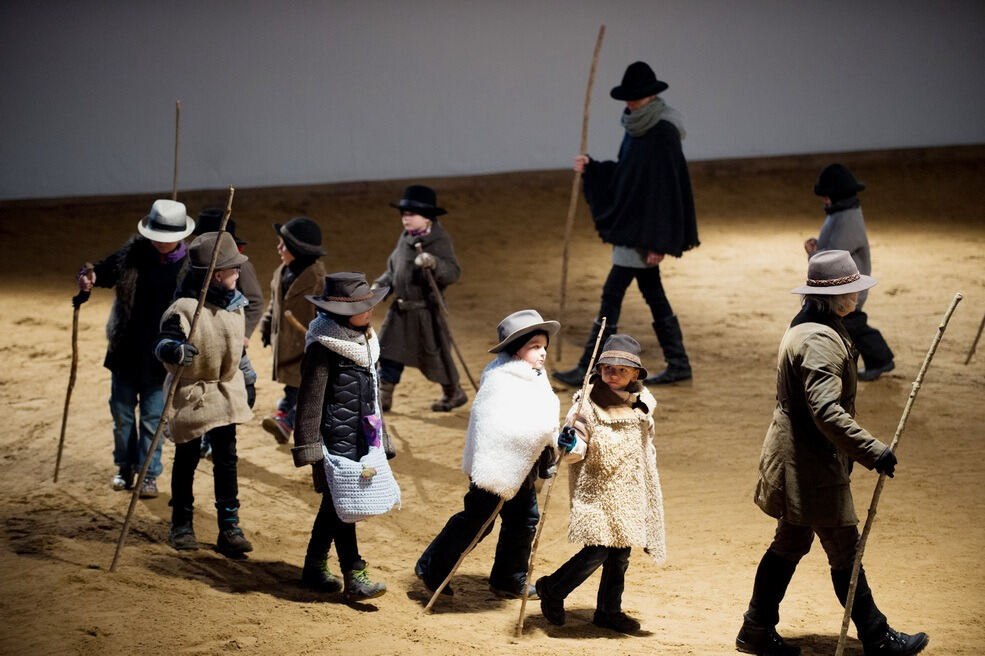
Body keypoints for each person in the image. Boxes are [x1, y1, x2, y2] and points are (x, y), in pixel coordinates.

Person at [735, 250, 928, 656]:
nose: (857, 296)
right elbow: (825, 411)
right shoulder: (819, 339)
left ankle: (755, 629)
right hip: (810, 467)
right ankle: (877, 636)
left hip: (799, 460)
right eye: (851, 290)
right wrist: (873, 450)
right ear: (832, 295)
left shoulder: (811, 325)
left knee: (789, 543)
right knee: (844, 548)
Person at [554, 61, 699, 388]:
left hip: (645, 233)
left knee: (612, 294)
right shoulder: (636, 126)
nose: (628, 103)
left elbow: (665, 191)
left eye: (634, 97)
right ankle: (679, 362)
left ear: (649, 96)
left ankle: (589, 366)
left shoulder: (662, 133)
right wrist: (592, 168)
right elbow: (627, 174)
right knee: (652, 293)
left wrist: (659, 242)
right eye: (627, 97)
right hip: (634, 226)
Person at [415, 309, 562, 599]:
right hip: (496, 468)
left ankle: (508, 579)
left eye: (544, 346)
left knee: (523, 521)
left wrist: (555, 440)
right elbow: (497, 426)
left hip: (523, 468)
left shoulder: (535, 376)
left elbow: (545, 417)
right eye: (534, 347)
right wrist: (545, 432)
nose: (542, 353)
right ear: (515, 350)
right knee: (477, 523)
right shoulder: (501, 380)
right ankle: (434, 566)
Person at [537, 334, 666, 634]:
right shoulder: (587, 404)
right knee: (597, 549)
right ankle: (553, 588)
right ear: (598, 370)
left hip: (629, 490)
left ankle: (609, 610)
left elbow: (647, 443)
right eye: (608, 368)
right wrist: (569, 444)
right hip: (597, 491)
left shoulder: (642, 404)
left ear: (635, 374)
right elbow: (577, 446)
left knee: (620, 555)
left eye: (622, 370)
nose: (614, 375)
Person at [76, 199, 193, 498]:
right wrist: (90, 276)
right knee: (122, 415)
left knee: (153, 418)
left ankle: (148, 474)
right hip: (126, 351)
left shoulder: (191, 268)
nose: (160, 243)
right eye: (156, 236)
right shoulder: (135, 252)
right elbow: (104, 270)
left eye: (166, 238)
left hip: (162, 357)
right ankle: (125, 466)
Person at [291, 272, 392, 602]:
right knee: (343, 506)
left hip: (361, 439)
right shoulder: (323, 349)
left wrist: (383, 439)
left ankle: (315, 565)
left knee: (335, 506)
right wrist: (310, 447)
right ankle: (354, 572)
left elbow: (374, 398)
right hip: (333, 442)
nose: (371, 311)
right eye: (364, 307)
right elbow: (310, 401)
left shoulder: (366, 344)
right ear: (342, 315)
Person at [154, 232, 254, 557]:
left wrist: (247, 375)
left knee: (226, 459)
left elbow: (236, 350)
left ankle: (229, 526)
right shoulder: (184, 308)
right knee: (187, 459)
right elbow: (164, 344)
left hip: (225, 392)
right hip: (192, 395)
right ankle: (181, 522)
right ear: (213, 275)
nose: (238, 274)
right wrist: (175, 350)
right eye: (231, 269)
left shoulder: (235, 305)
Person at [373, 185, 465, 412]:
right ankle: (384, 396)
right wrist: (380, 285)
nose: (406, 219)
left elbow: (453, 271)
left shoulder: (439, 240)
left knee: (436, 355)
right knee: (388, 351)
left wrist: (434, 263)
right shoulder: (405, 239)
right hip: (401, 311)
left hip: (426, 313)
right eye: (404, 214)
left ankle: (453, 392)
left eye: (412, 214)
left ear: (427, 217)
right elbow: (394, 270)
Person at [804, 163, 895, 381]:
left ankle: (880, 359)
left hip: (847, 287)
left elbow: (835, 253)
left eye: (826, 196)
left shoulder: (847, 219)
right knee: (847, 326)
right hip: (841, 284)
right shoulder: (841, 213)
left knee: (852, 325)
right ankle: (855, 364)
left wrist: (814, 254)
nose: (824, 200)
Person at [193, 208, 263, 460]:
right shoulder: (194, 269)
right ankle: (203, 436)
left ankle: (216, 436)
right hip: (202, 342)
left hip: (230, 341)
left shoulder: (241, 267)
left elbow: (254, 301)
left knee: (238, 387)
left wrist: (242, 334)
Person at [259, 217, 328, 443]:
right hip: (287, 346)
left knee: (310, 391)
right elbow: (275, 303)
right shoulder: (282, 272)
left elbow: (325, 313)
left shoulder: (318, 280)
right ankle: (284, 418)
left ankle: (288, 421)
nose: (278, 248)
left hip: (308, 347)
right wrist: (267, 325)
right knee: (293, 386)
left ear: (298, 249)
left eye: (284, 245)